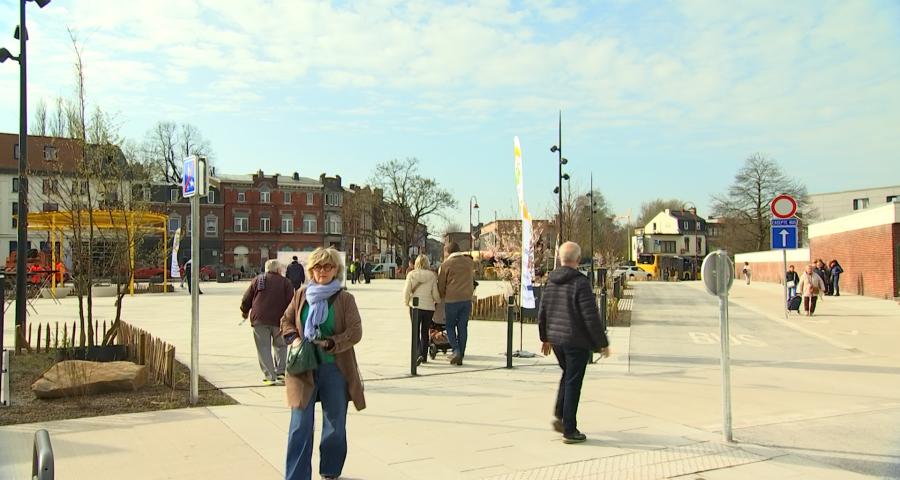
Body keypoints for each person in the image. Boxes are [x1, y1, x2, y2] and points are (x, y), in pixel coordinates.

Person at [281, 247, 365, 480]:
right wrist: (295, 338)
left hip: (334, 368)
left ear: (336, 270)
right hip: (303, 367)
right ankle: (296, 476)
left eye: (328, 266)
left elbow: (355, 332)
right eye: (318, 267)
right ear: (311, 270)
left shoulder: (345, 298)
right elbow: (286, 321)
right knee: (299, 426)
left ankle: (330, 469)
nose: (323, 271)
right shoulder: (301, 295)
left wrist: (331, 342)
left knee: (335, 425)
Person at [538, 241, 610, 444]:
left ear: (561, 259)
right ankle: (569, 429)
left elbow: (542, 312)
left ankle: (560, 415)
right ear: (578, 260)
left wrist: (545, 337)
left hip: (557, 340)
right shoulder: (580, 283)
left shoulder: (551, 281)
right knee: (573, 382)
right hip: (575, 340)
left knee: (568, 375)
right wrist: (602, 343)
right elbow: (590, 316)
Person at [241, 259, 295, 385]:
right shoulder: (286, 282)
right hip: (280, 320)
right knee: (281, 346)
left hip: (260, 319)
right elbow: (291, 302)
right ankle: (281, 373)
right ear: (278, 270)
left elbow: (246, 298)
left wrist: (244, 311)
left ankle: (269, 376)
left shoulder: (258, 280)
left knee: (263, 347)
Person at [437, 242, 474, 365]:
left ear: (448, 252)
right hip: (467, 299)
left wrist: (441, 295)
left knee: (450, 326)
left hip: (452, 300)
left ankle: (456, 351)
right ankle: (461, 355)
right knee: (463, 327)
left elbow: (441, 285)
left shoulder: (446, 264)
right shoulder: (468, 262)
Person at [404, 254, 441, 365]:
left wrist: (406, 302)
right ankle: (424, 356)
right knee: (424, 332)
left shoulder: (411, 274)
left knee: (415, 331)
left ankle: (418, 353)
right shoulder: (432, 276)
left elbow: (406, 291)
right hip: (429, 308)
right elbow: (435, 293)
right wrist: (437, 301)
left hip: (415, 307)